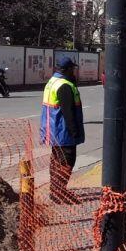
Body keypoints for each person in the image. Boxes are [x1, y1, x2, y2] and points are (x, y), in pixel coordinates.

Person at [40, 57, 85, 203]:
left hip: (53, 130)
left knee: (56, 161)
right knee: (67, 162)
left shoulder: (53, 81)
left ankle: (56, 191)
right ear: (66, 70)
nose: (74, 71)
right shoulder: (64, 86)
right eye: (72, 69)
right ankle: (59, 192)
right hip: (63, 132)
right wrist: (74, 132)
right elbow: (68, 112)